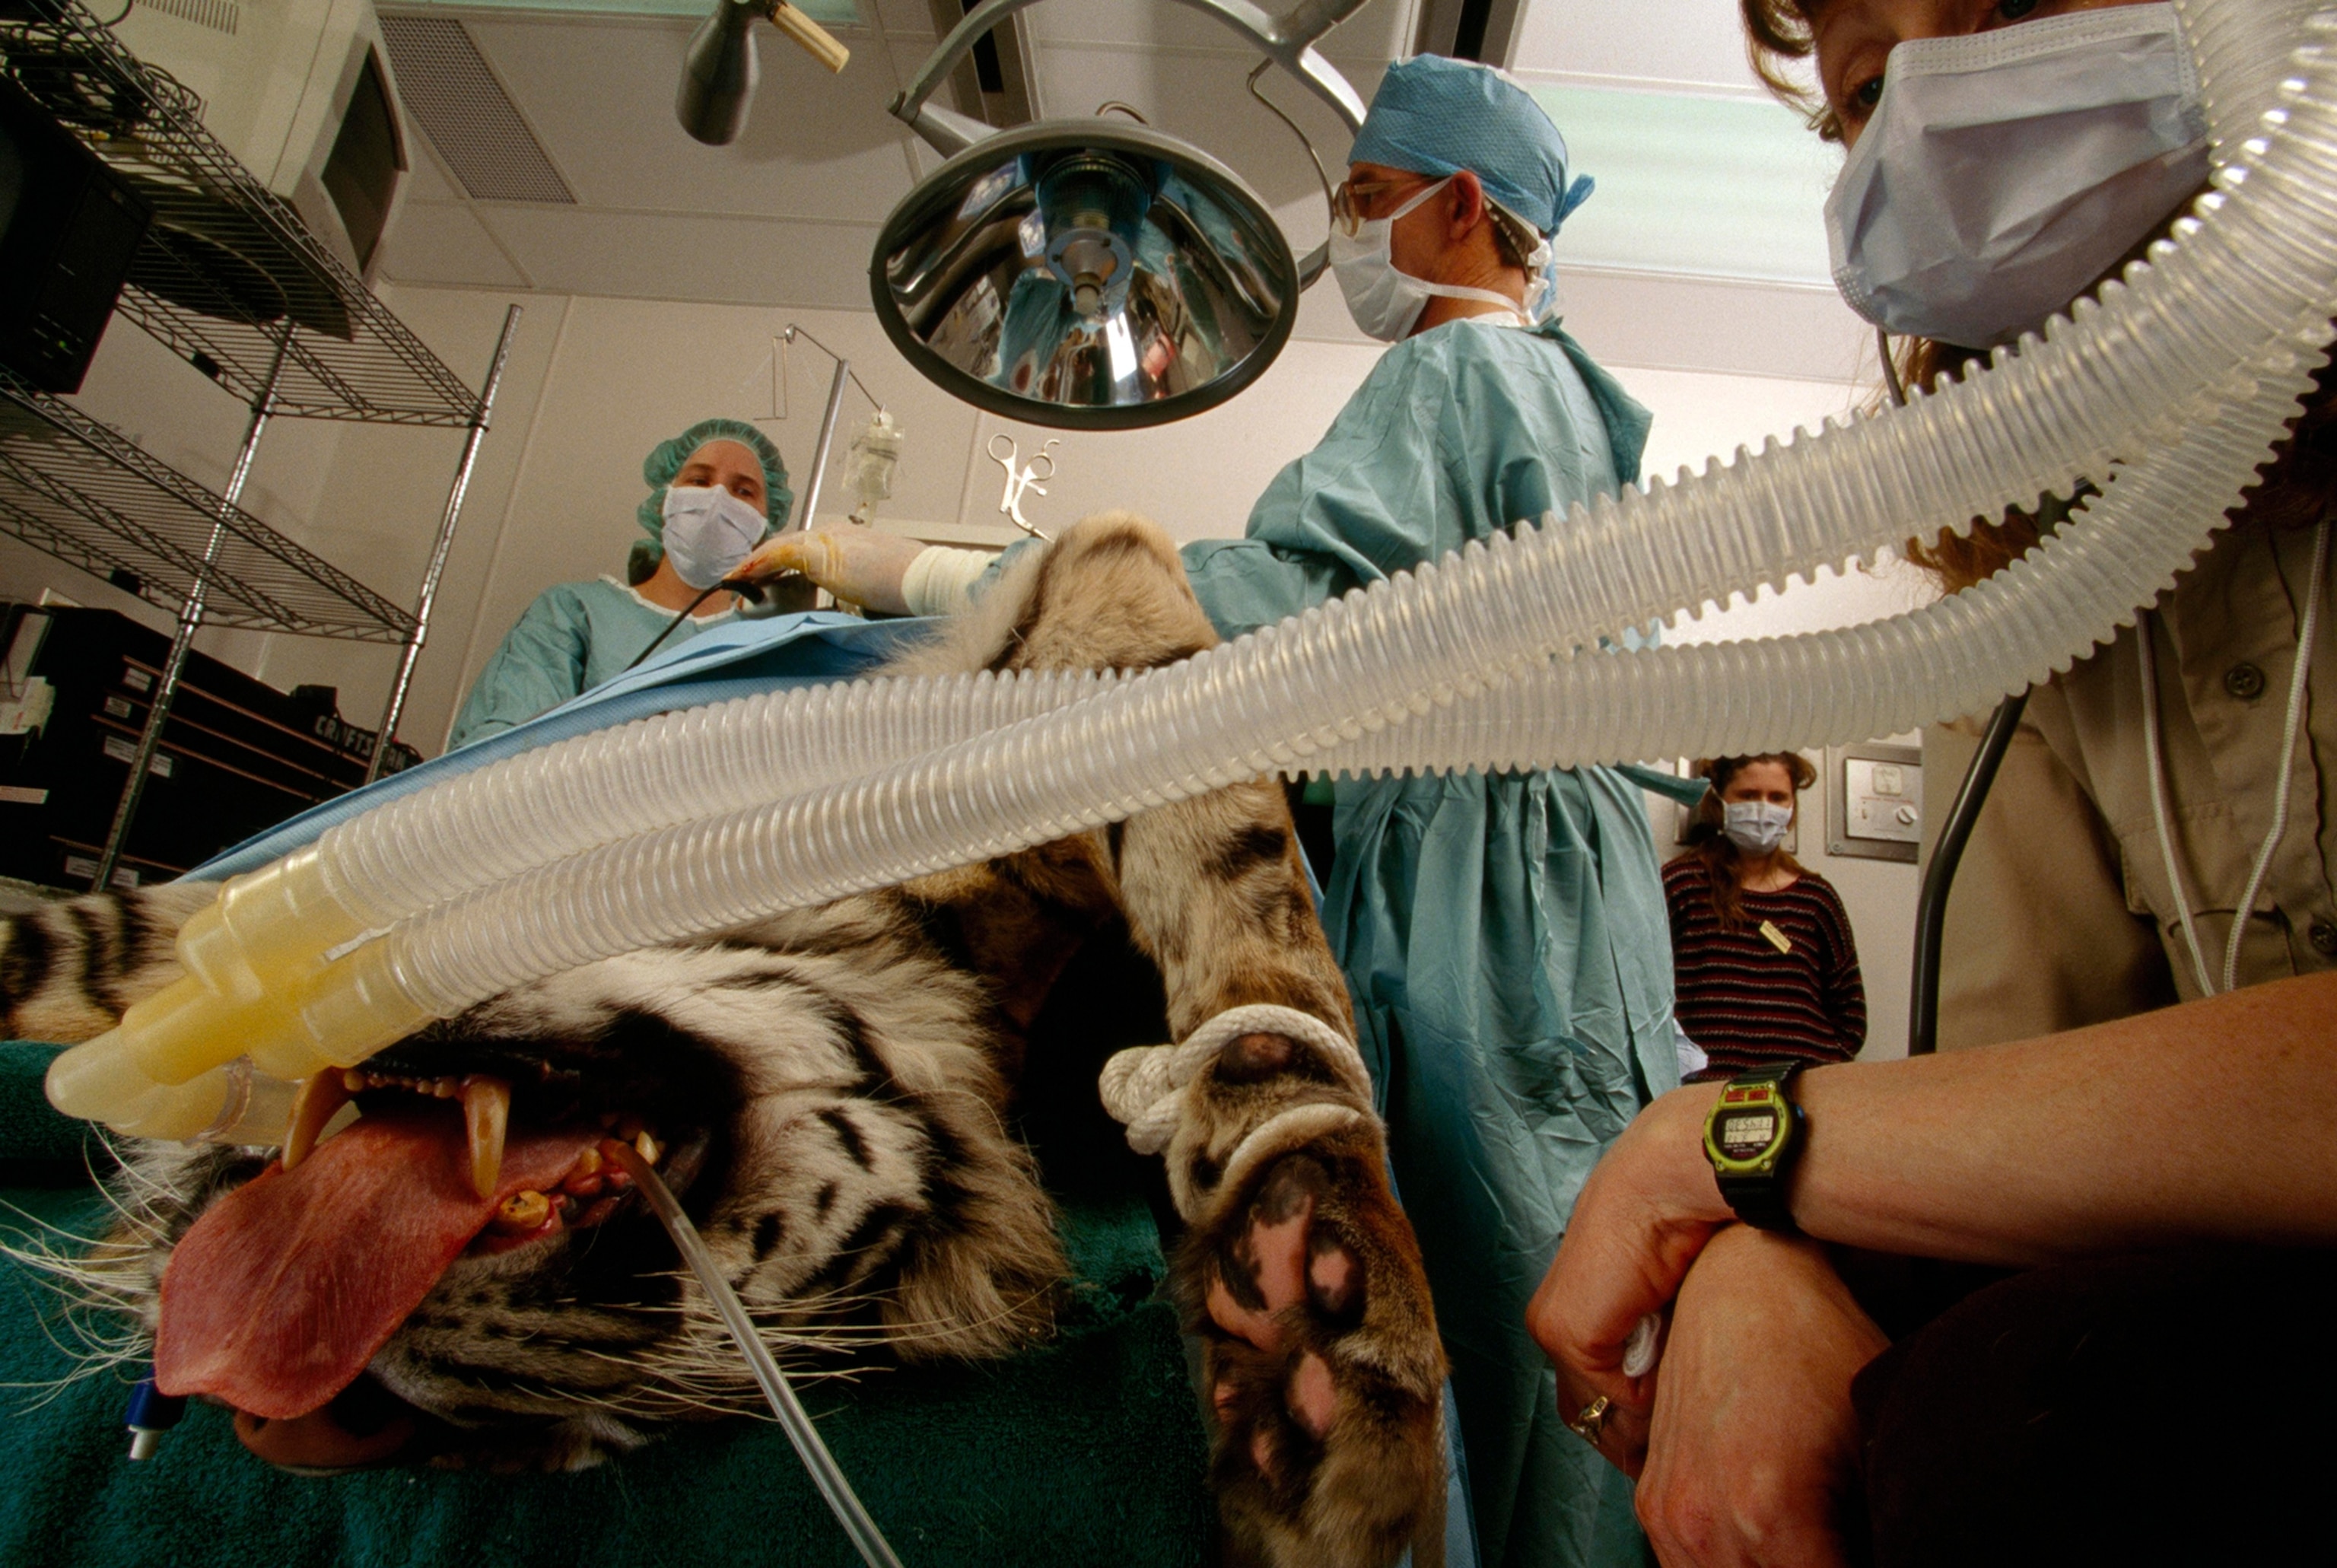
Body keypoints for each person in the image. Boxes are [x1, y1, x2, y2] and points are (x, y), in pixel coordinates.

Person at [743, 55, 1674, 1568]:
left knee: (1472, 1277)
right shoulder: (1560, 394)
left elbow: (1278, 604)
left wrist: (941, 574)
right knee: (1570, 1289)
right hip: (1564, 893)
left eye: (1367, 204)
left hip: (1473, 886)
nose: (1353, 240)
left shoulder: (1458, 371)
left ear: (1458, 204)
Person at [1528, 0, 2337, 1560]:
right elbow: (2030, 1109)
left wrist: (1740, 1146)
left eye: (1963, 33)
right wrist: (1771, 1264)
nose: (1887, 126)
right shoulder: (2064, 589)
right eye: (1856, 109)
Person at [447, 419, 792, 749]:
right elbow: (498, 752)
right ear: (664, 502)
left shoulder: (773, 647)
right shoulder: (574, 613)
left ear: (764, 525)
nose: (718, 498)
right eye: (699, 481)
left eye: (743, 490)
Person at [1664, 753, 1865, 1082]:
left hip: (1802, 1092)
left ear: (1792, 806)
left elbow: (1851, 1013)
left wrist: (1816, 1069)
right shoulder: (1680, 883)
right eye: (1748, 795)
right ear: (1719, 801)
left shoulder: (1817, 898)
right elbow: (1643, 991)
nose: (1762, 807)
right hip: (1703, 1092)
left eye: (1777, 797)